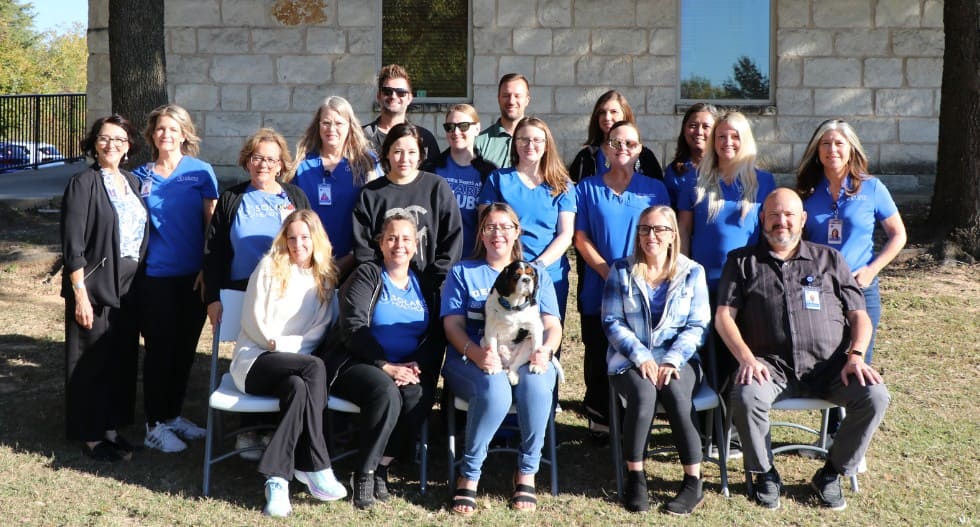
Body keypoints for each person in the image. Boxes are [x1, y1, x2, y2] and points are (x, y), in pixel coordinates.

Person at [714, 188, 890, 511]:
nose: (782, 221)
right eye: (774, 215)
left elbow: (859, 315)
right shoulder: (741, 262)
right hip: (770, 366)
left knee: (875, 396)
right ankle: (765, 474)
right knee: (746, 394)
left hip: (830, 368)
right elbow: (724, 316)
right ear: (762, 219)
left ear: (803, 219)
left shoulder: (829, 259)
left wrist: (856, 356)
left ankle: (831, 473)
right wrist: (746, 359)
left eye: (789, 215)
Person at [442, 203, 562, 515]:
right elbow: (452, 324)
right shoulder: (463, 272)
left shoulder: (535, 273)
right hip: (470, 358)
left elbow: (552, 325)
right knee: (495, 392)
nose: (498, 233)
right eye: (490, 227)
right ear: (481, 233)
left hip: (526, 354)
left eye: (505, 227)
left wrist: (545, 349)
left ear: (517, 232)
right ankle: (468, 476)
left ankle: (527, 472)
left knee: (537, 387)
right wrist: (476, 352)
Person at [230, 210, 347, 517]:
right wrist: (275, 344)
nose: (298, 244)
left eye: (305, 237)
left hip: (295, 366)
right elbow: (251, 319)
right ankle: (315, 463)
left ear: (316, 239)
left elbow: (318, 330)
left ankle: (277, 479)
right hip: (254, 360)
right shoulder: (269, 267)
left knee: (298, 386)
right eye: (292, 237)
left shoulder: (324, 277)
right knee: (314, 368)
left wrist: (289, 349)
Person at [203, 128, 311, 459]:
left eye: (270, 159)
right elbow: (214, 251)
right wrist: (212, 297)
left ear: (281, 164)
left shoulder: (294, 197)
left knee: (281, 359)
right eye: (257, 158)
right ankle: (248, 431)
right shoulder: (232, 198)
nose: (263, 164)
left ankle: (278, 428)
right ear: (247, 161)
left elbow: (309, 242)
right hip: (240, 294)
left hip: (286, 296)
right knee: (249, 359)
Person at [331, 213, 443, 509]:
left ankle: (383, 464)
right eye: (391, 238)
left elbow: (435, 335)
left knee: (418, 395)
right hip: (359, 363)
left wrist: (416, 364)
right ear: (381, 243)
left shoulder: (426, 285)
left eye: (406, 239)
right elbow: (353, 326)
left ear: (416, 245)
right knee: (386, 392)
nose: (399, 245)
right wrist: (385, 365)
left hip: (407, 367)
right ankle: (364, 473)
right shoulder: (367, 275)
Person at [603, 205, 710, 514]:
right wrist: (641, 357)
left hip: (679, 359)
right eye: (645, 229)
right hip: (629, 358)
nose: (652, 235)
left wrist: (672, 360)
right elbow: (612, 321)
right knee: (644, 392)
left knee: (677, 393)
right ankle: (635, 476)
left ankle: (693, 483)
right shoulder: (621, 270)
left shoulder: (692, 271)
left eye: (660, 229)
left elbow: (697, 325)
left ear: (672, 235)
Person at [574, 122, 670, 440]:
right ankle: (601, 420)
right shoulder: (586, 188)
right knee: (597, 351)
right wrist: (608, 272)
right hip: (598, 284)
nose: (623, 148)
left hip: (644, 288)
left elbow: (666, 236)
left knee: (636, 350)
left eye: (630, 143)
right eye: (616, 142)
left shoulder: (653, 189)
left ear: (639, 149)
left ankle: (635, 420)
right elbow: (580, 236)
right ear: (605, 149)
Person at [61, 114, 148, 461]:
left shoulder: (130, 181)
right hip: (95, 285)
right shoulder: (83, 183)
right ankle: (90, 435)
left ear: (128, 147)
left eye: (119, 139)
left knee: (119, 360)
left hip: (128, 287)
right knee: (90, 361)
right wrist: (79, 293)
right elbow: (73, 245)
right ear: (94, 144)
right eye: (104, 138)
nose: (111, 145)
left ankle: (110, 427)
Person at [133, 104, 219, 453]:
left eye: (173, 129)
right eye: (160, 129)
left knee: (184, 350)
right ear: (152, 135)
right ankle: (154, 424)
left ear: (185, 133)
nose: (166, 135)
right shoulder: (140, 175)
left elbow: (212, 225)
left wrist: (207, 268)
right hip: (155, 277)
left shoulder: (201, 172)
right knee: (158, 350)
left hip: (194, 278)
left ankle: (173, 415)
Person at [677, 111, 775, 392]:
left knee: (740, 353)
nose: (727, 142)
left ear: (746, 140)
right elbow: (684, 230)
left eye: (735, 136)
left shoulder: (763, 182)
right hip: (704, 283)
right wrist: (683, 270)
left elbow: (769, 233)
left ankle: (733, 423)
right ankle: (707, 425)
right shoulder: (695, 180)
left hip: (747, 285)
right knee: (708, 353)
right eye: (721, 136)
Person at [796, 119, 907, 366]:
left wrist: (872, 270)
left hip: (860, 287)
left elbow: (898, 235)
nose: (832, 149)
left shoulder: (872, 187)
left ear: (851, 149)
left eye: (838, 143)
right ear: (817, 150)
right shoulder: (806, 191)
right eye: (825, 143)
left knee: (858, 360)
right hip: (819, 287)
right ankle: (832, 407)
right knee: (824, 361)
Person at [352, 122, 463, 308]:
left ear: (420, 155)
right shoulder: (370, 194)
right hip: (385, 290)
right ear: (387, 153)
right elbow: (364, 249)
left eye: (411, 152)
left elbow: (452, 239)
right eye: (397, 151)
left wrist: (435, 279)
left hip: (431, 287)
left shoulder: (437, 187)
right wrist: (383, 280)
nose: (404, 158)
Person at [478, 117, 575, 322]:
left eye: (537, 140)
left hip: (549, 274)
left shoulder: (562, 185)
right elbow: (486, 227)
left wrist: (537, 266)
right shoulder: (498, 179)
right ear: (515, 143)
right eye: (524, 139)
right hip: (506, 276)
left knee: (545, 342)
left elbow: (566, 234)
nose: (530, 145)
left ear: (546, 144)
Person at [289, 96, 382, 280]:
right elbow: (291, 217)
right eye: (326, 123)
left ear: (350, 125)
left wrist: (352, 258)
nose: (332, 129)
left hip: (355, 264)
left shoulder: (367, 164)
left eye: (339, 123)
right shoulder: (302, 165)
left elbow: (377, 215)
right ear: (318, 125)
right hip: (309, 266)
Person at [423, 104, 497, 255]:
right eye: (450, 127)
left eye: (463, 126)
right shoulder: (431, 169)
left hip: (475, 258)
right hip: (439, 258)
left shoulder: (489, 172)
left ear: (477, 128)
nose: (456, 132)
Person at [567, 90, 664, 183]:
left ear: (625, 115)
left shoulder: (645, 156)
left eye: (614, 112)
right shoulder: (585, 157)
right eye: (602, 112)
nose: (607, 117)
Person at [361, 64, 440, 165]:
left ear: (410, 98)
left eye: (401, 92)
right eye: (387, 91)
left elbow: (432, 178)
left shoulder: (424, 139)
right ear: (378, 96)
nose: (393, 96)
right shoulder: (360, 137)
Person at [663, 103, 718, 208]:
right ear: (684, 130)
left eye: (706, 126)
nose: (699, 132)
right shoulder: (675, 172)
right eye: (693, 126)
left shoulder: (725, 168)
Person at [474, 73, 531, 168]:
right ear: (499, 99)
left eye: (517, 96)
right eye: (506, 95)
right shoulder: (479, 143)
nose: (511, 101)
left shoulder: (539, 141)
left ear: (527, 100)